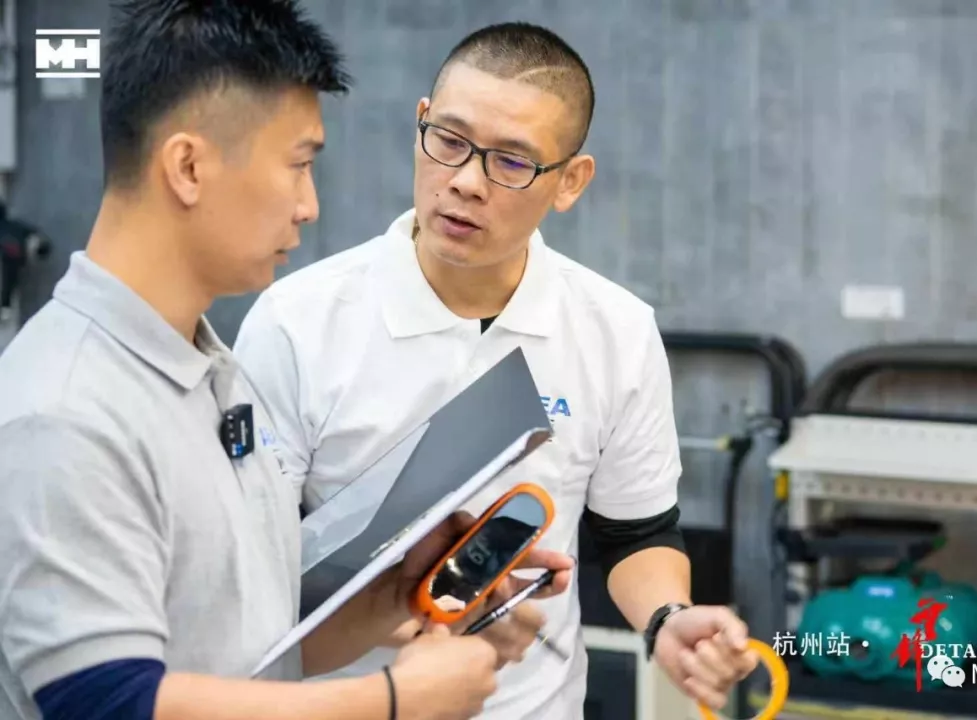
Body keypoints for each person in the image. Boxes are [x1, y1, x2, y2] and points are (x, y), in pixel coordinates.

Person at [0, 4, 570, 720]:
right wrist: (394, 702)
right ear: (188, 167)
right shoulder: (65, 409)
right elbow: (106, 703)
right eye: (299, 165)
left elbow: (249, 650)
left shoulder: (207, 373)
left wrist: (394, 595)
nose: (308, 206)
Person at [234, 20, 759, 720]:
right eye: (449, 141)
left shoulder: (616, 330)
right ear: (421, 122)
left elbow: (636, 533)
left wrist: (667, 619)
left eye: (512, 162)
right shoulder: (296, 322)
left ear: (570, 181)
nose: (465, 182)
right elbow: (252, 578)